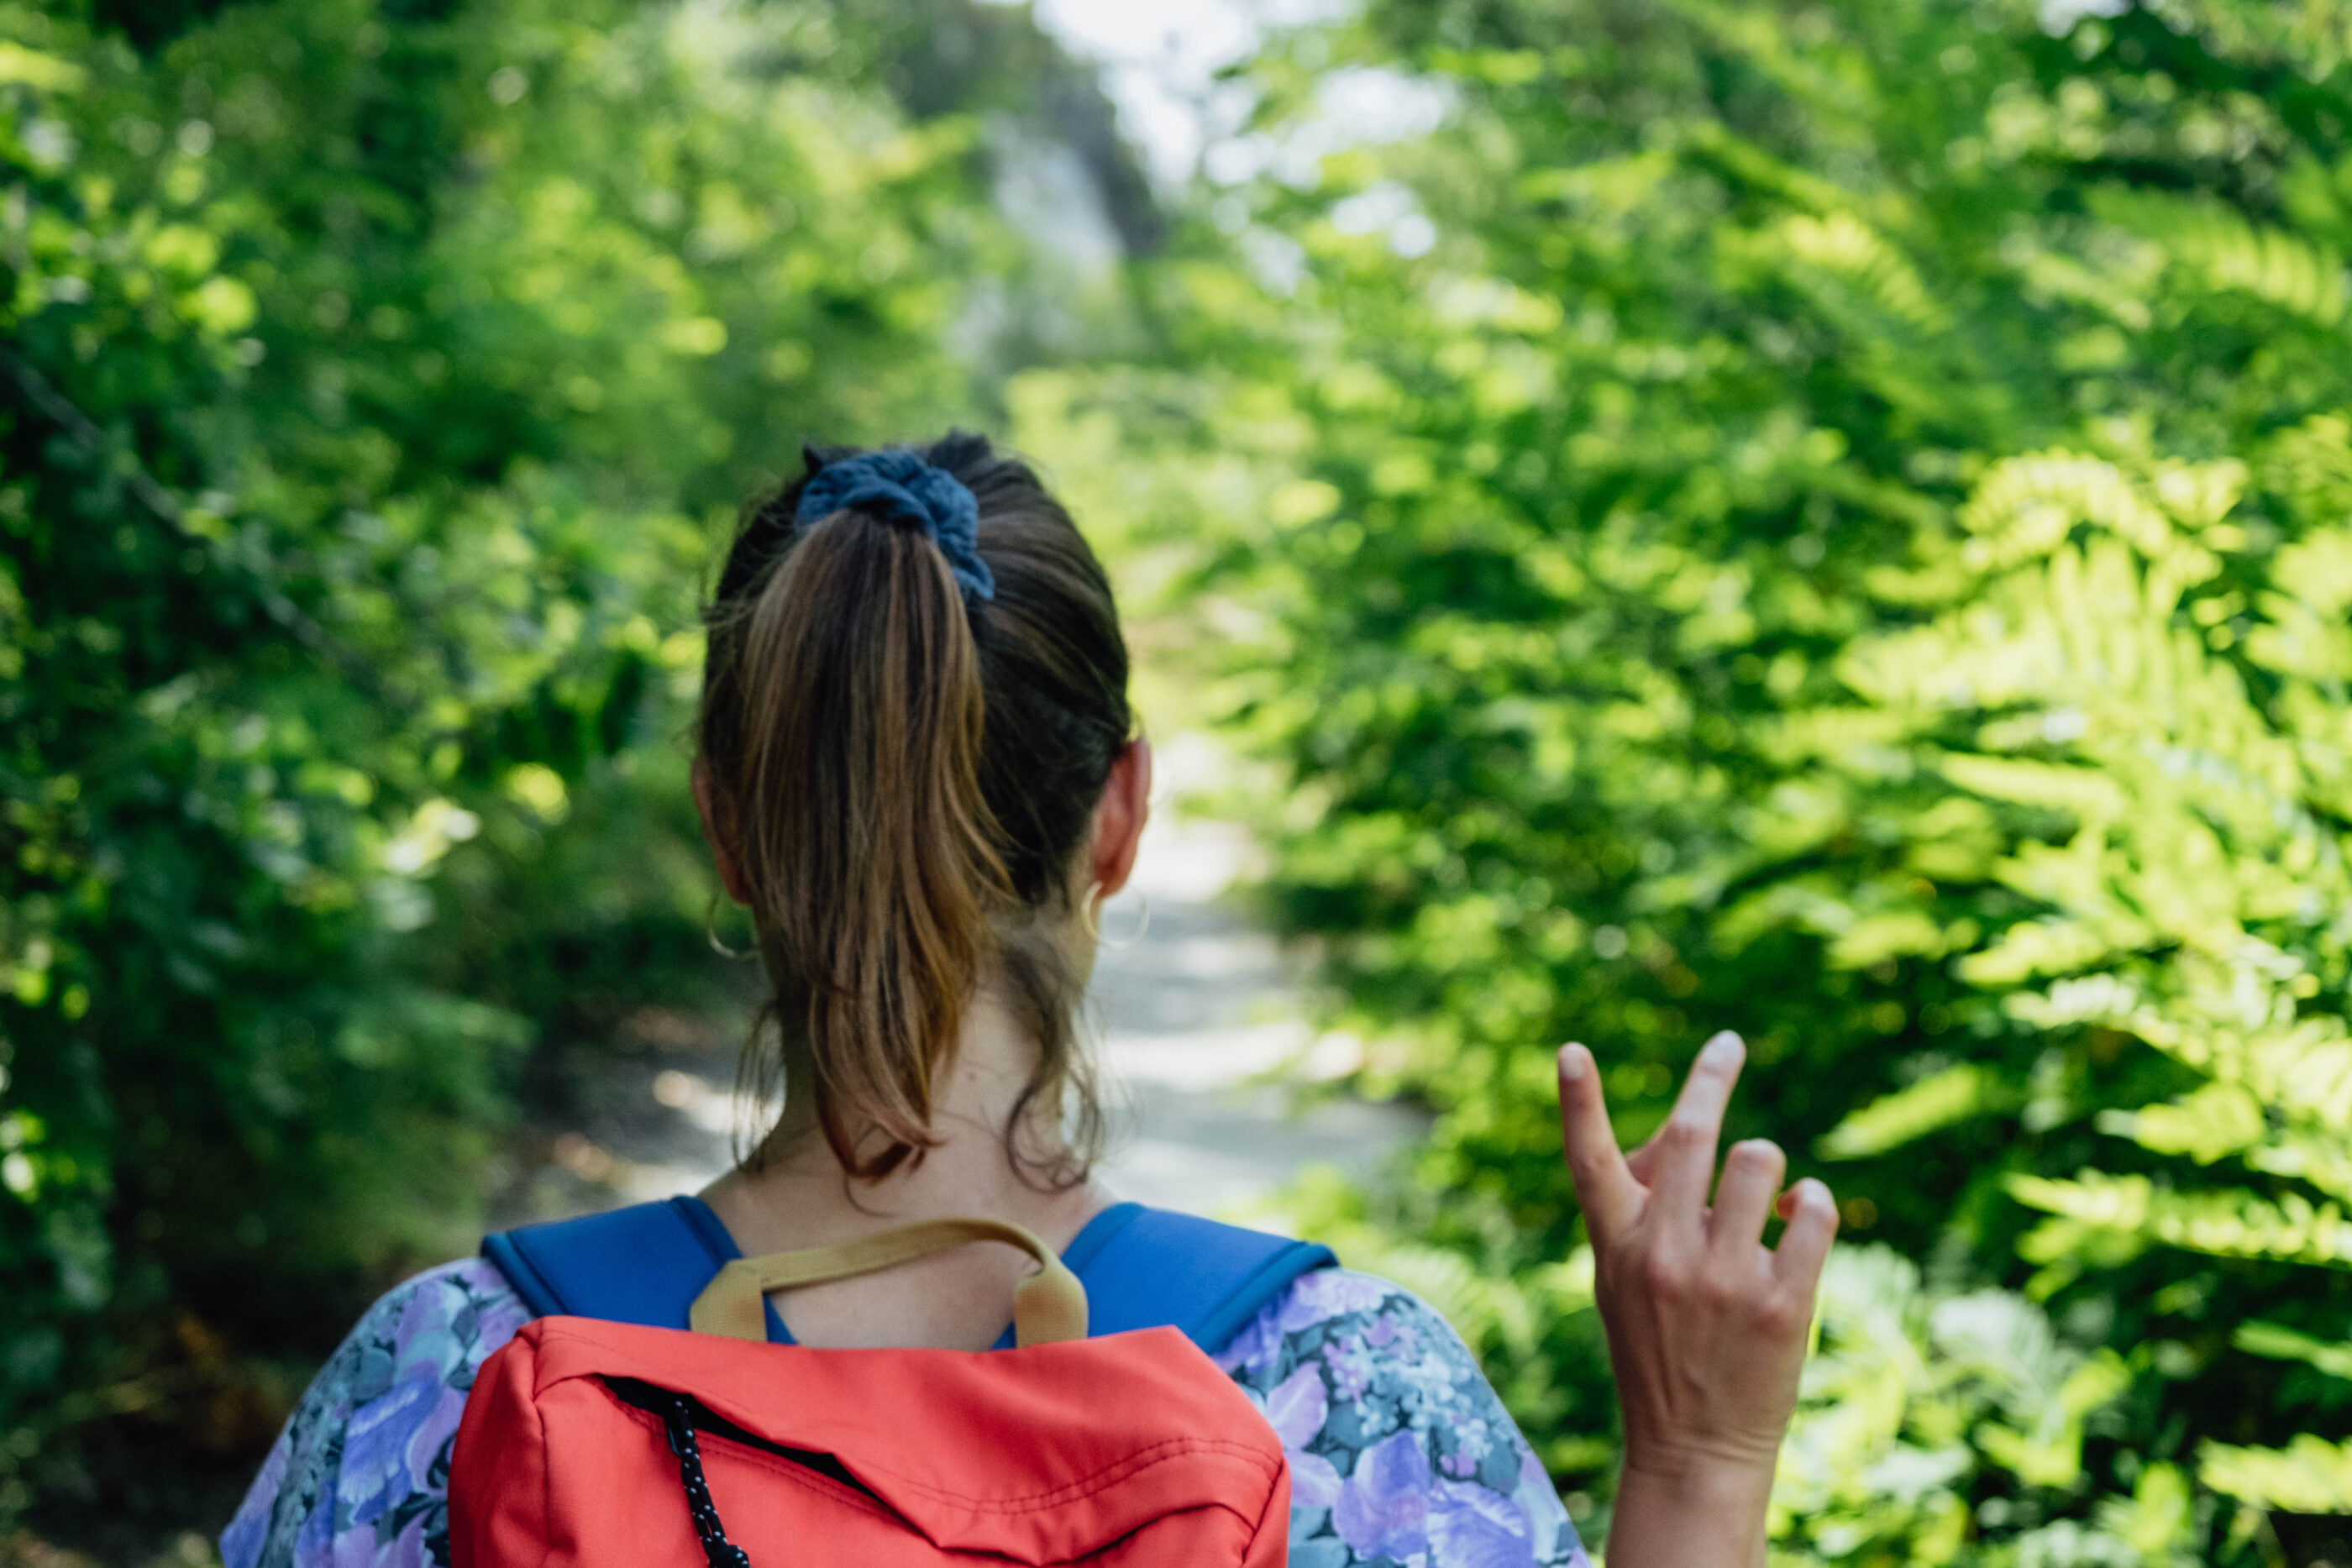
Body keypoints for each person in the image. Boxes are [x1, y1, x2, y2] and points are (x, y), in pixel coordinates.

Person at [221, 433, 1835, 1568]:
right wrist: (1701, 1467)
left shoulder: (444, 1379)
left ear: (726, 820)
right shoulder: (1341, 1400)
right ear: (1119, 818)